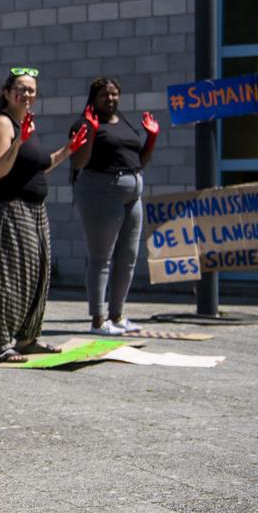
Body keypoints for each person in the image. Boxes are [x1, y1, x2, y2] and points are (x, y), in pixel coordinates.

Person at [0, 68, 91, 363]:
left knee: (38, 273)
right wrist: (18, 141)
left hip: (35, 210)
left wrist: (69, 149)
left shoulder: (26, 124)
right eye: (21, 88)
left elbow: (41, 166)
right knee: (11, 275)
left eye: (31, 90)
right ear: (6, 93)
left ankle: (27, 338)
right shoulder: (2, 124)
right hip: (10, 207)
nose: (27, 94)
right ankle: (1, 343)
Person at [69, 77, 160, 335]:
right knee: (101, 258)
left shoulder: (125, 123)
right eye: (104, 95)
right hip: (100, 193)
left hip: (132, 194)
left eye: (115, 94)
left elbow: (139, 161)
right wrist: (93, 131)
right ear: (93, 98)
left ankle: (117, 315)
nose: (111, 99)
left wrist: (152, 138)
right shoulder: (84, 124)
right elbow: (79, 162)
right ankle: (98, 321)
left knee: (128, 257)